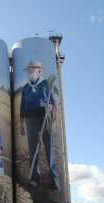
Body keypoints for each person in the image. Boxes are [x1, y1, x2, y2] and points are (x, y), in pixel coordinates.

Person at [19, 60, 59, 190]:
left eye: (32, 69)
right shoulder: (25, 88)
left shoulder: (47, 84)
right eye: (29, 70)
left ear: (39, 71)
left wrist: (51, 107)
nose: (30, 72)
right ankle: (35, 178)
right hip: (30, 120)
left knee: (49, 149)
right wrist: (21, 124)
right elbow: (22, 107)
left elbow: (53, 103)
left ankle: (54, 179)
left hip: (45, 119)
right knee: (33, 150)